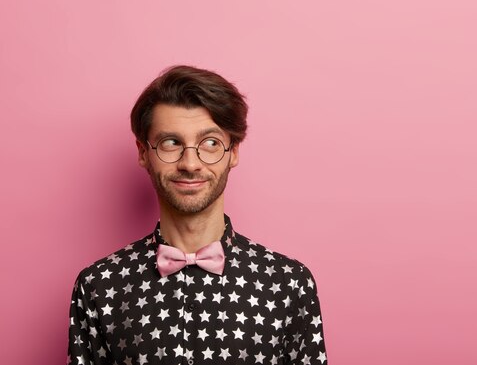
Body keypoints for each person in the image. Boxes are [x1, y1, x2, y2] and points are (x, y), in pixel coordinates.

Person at [67, 65, 328, 365]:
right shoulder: (99, 287)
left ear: (234, 152)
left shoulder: (289, 285)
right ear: (142, 152)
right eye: (171, 143)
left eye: (210, 143)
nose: (190, 163)